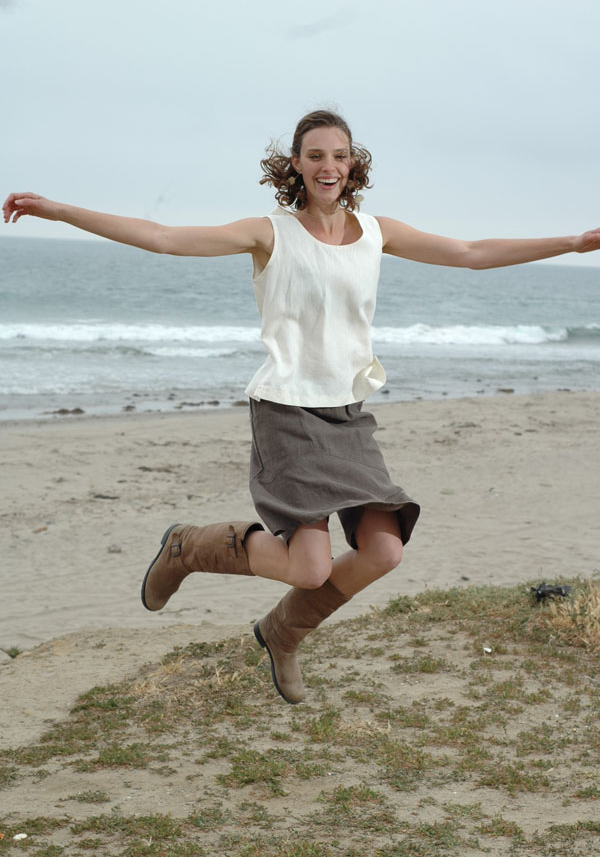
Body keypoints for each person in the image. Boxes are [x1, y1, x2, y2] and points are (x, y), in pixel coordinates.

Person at [4, 109, 599, 705]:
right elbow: (164, 239)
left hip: (347, 413)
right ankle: (187, 546)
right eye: (315, 156)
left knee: (385, 549)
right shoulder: (270, 233)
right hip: (286, 411)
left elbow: (470, 251)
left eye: (338, 155)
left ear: (352, 163)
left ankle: (281, 633)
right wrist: (59, 211)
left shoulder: (376, 232)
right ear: (295, 164)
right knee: (310, 568)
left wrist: (572, 243)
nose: (328, 166)